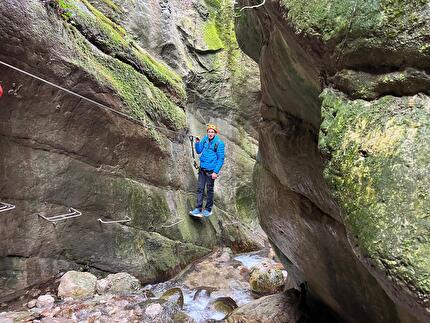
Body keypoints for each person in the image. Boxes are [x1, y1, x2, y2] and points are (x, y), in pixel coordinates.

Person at [189, 124, 225, 218]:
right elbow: (198, 151)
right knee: (200, 188)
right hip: (202, 169)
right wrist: (197, 143)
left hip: (211, 171)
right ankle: (198, 208)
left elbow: (220, 159)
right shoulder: (205, 139)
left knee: (209, 190)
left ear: (215, 133)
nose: (210, 133)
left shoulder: (219, 143)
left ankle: (208, 209)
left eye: (212, 132)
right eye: (209, 132)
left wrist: (215, 172)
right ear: (207, 132)